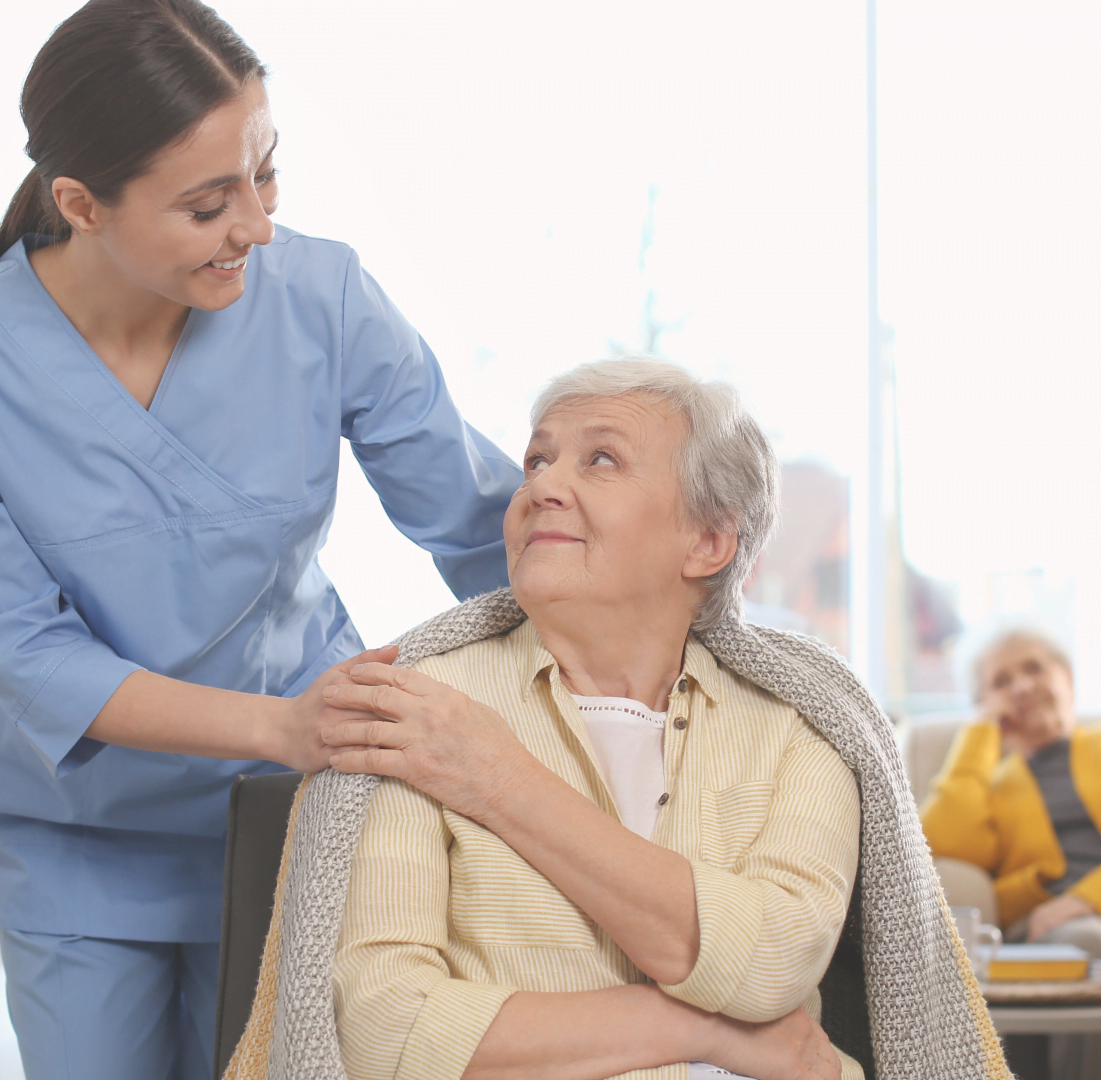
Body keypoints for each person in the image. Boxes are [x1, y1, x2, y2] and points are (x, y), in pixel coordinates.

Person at [0, 2, 520, 1076]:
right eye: (208, 203)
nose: (258, 226)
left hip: (302, 824)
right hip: (86, 845)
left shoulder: (322, 297)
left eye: (266, 174)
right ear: (81, 203)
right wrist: (283, 727)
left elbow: (476, 522)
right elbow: (25, 648)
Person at [318, 360, 863, 1080]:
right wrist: (710, 1034)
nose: (541, 485)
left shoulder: (801, 723)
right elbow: (384, 1027)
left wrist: (496, 779)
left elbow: (771, 966)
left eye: (600, 459)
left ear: (707, 541)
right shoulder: (422, 708)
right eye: (536, 460)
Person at [920, 630, 1101, 965]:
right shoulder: (990, 787)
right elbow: (940, 844)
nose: (1023, 687)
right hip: (1056, 921)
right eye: (1000, 682)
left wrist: (1089, 898)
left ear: (1067, 678)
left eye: (1035, 668)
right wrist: (981, 733)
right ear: (983, 704)